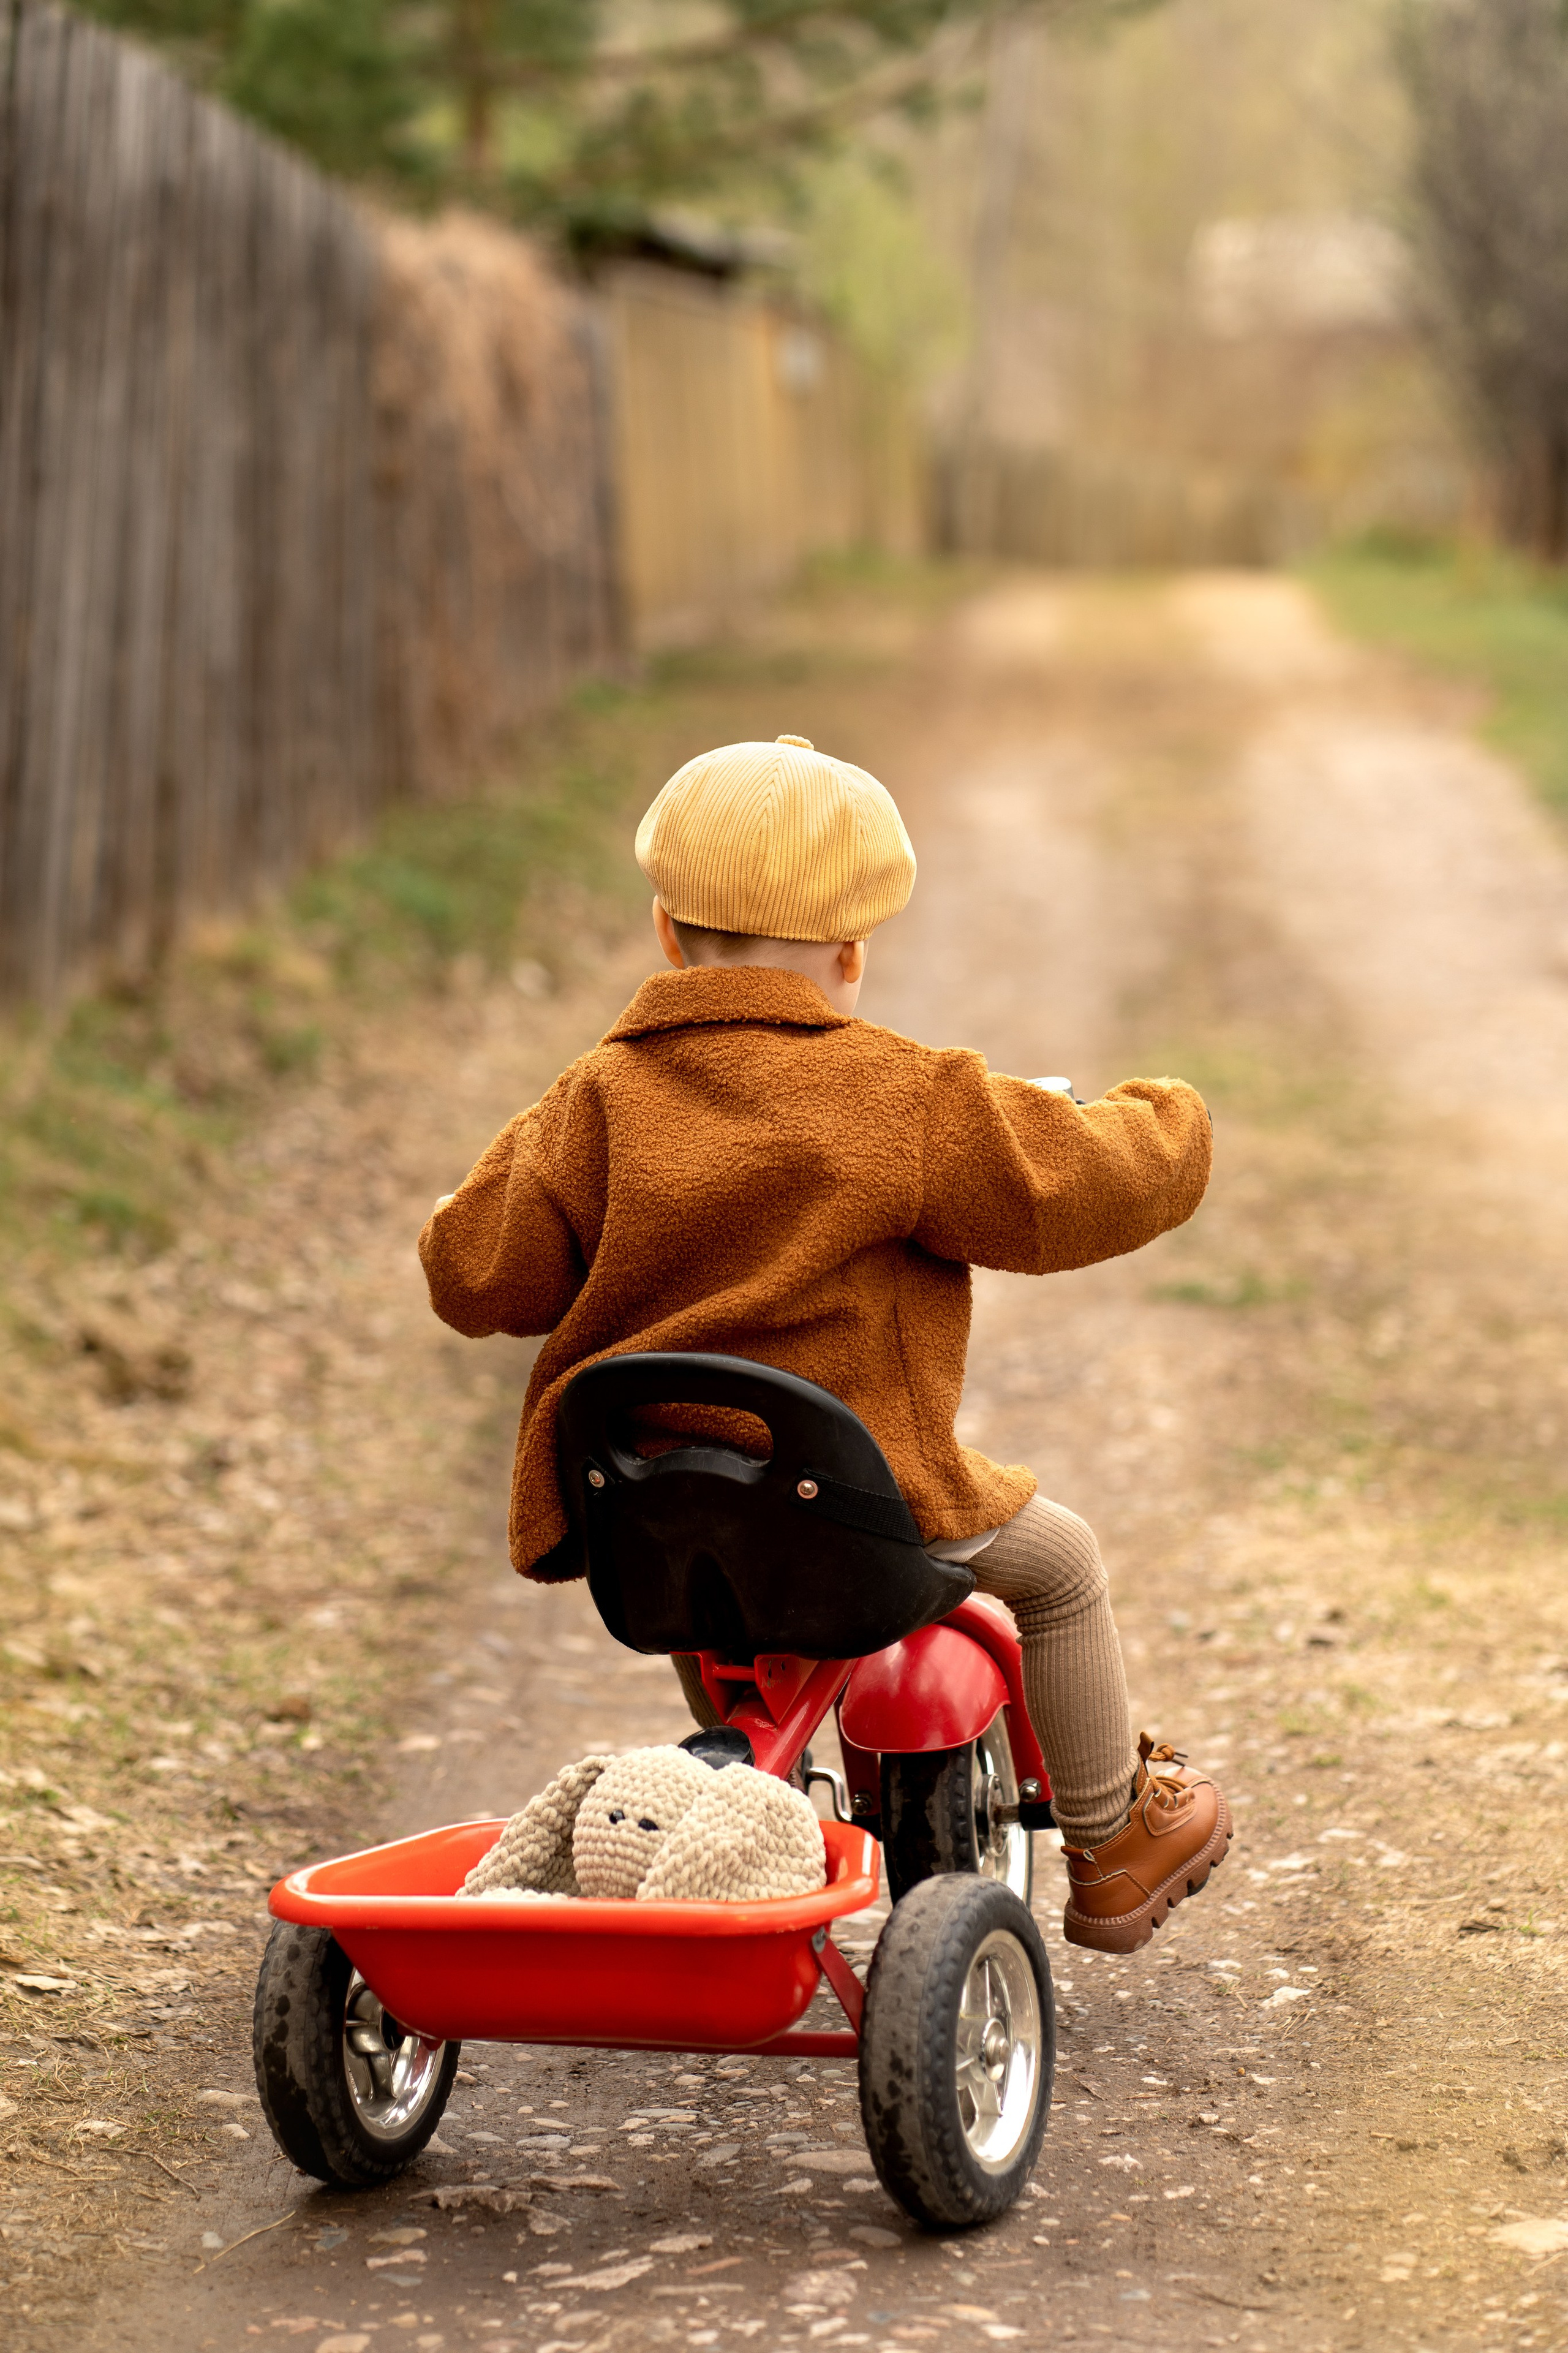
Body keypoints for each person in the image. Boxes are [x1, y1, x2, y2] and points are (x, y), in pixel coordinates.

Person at [419, 734, 1230, 1952]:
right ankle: (1113, 1842)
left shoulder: (592, 1098)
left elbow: (477, 1271)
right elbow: (1068, 1185)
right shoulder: (905, 1096)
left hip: (649, 1512)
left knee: (717, 1593)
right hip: (858, 1501)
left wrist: (469, 1197)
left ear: (664, 931)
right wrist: (1164, 1121)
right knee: (1058, 1568)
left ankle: (743, 1799)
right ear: (852, 953)